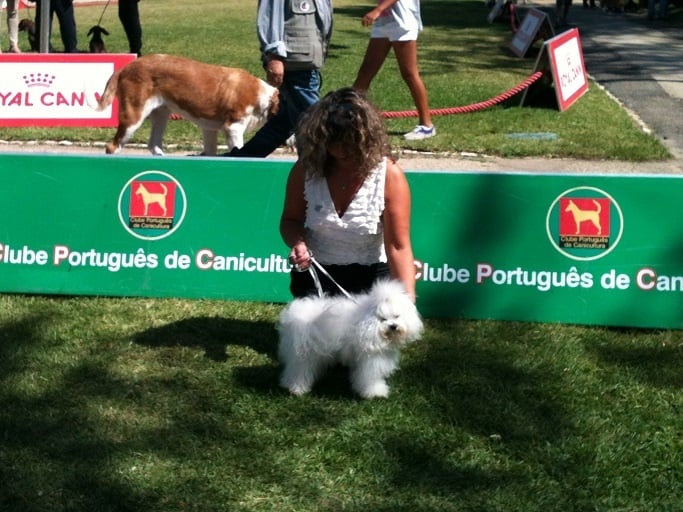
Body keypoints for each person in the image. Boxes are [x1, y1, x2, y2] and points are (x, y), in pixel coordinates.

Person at [280, 87, 417, 302]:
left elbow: (398, 247)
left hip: (371, 282)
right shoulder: (306, 169)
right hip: (317, 276)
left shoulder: (389, 175)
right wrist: (298, 243)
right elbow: (290, 220)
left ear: (366, 139)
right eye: (335, 142)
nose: (343, 151)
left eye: (351, 143)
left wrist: (407, 303)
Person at [226, 0, 333, 158]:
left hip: (308, 60)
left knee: (285, 121)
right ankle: (324, 164)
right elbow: (270, 13)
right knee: (315, 120)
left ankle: (243, 159)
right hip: (294, 62)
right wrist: (274, 54)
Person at [353, 0, 435, 141]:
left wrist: (378, 10)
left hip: (402, 21)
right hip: (384, 22)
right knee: (365, 72)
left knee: (409, 74)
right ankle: (351, 117)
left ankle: (426, 125)